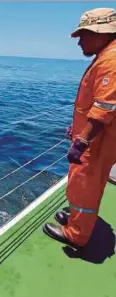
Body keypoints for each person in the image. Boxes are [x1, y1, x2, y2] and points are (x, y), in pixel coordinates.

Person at [43, 7, 116, 249]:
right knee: (90, 182)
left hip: (98, 141)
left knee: (84, 183)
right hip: (100, 137)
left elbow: (105, 107)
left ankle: (76, 234)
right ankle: (80, 220)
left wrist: (82, 140)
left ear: (100, 34)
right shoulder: (106, 55)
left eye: (83, 35)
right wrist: (76, 126)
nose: (79, 42)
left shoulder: (111, 60)